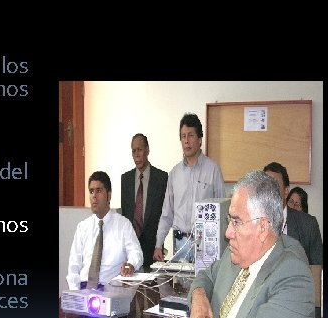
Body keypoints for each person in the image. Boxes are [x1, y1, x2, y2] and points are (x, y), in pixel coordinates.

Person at [188, 170, 314, 318]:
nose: (228, 233)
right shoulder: (236, 254)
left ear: (263, 228)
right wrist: (199, 298)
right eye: (229, 220)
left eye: (236, 222)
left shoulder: (294, 279)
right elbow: (206, 276)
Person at [263, 162, 323, 318]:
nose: (269, 190)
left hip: (298, 308)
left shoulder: (307, 224)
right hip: (263, 308)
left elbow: (317, 276)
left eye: (274, 185)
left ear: (286, 191)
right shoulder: (254, 222)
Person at [154, 113, 225, 263]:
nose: (186, 141)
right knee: (179, 279)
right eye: (183, 136)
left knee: (204, 279)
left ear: (199, 139)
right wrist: (158, 244)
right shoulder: (174, 173)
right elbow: (167, 214)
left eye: (191, 135)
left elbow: (222, 211)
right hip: (180, 243)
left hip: (205, 243)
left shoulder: (213, 170)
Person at [66, 171, 143, 289]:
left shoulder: (123, 225)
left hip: (109, 290)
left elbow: (136, 252)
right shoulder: (83, 227)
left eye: (99, 191)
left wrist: (131, 264)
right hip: (83, 289)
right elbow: (73, 266)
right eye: (91, 191)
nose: (94, 196)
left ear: (109, 195)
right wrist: (75, 293)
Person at [121, 133, 168, 268]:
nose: (137, 155)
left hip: (153, 249)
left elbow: (165, 214)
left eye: (140, 150)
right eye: (133, 151)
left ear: (147, 150)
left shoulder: (161, 178)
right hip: (131, 247)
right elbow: (125, 215)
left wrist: (159, 245)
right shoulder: (126, 179)